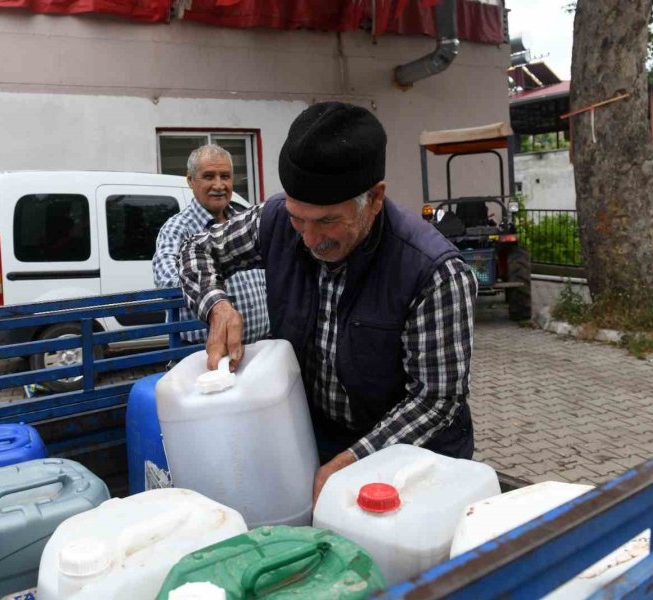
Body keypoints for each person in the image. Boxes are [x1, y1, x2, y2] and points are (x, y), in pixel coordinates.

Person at [178, 103, 477, 502]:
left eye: (327, 221)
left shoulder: (433, 272)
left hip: (414, 461)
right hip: (318, 437)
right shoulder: (273, 220)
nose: (308, 239)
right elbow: (196, 251)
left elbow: (435, 399)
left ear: (373, 198)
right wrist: (216, 305)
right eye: (298, 219)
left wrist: (353, 460)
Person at [153, 144, 269, 343]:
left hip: (259, 349)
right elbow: (168, 279)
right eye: (209, 176)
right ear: (190, 180)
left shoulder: (244, 222)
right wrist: (216, 301)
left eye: (225, 176)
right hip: (204, 358)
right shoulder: (177, 229)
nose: (219, 185)